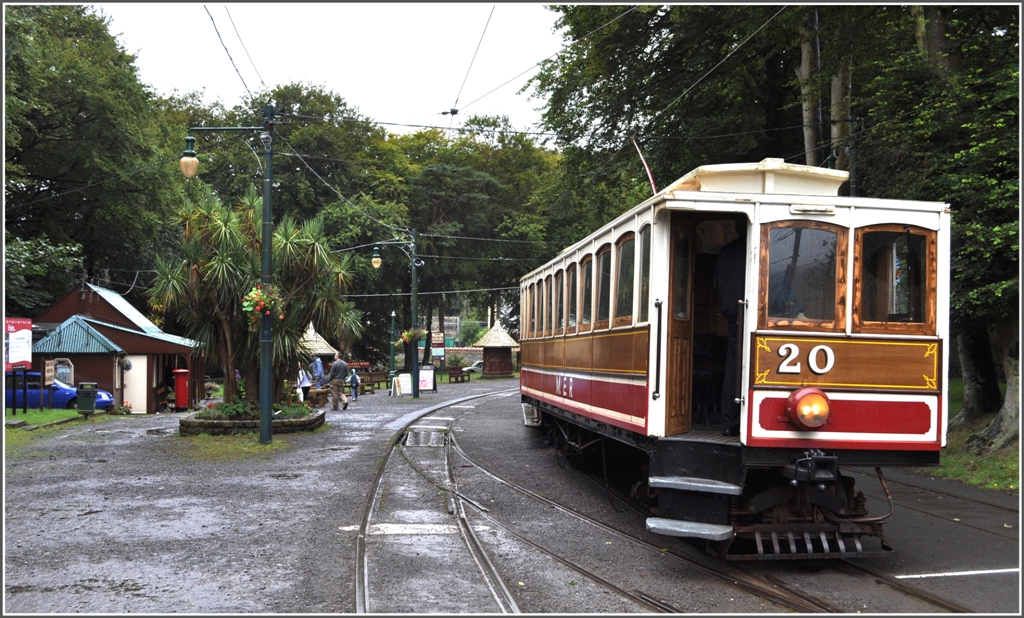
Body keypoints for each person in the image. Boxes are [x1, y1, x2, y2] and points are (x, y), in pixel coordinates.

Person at [715, 227, 746, 437]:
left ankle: (730, 420)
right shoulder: (759, 247)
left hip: (732, 313)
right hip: (748, 313)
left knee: (734, 365)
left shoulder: (726, 252)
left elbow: (718, 285)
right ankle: (742, 419)